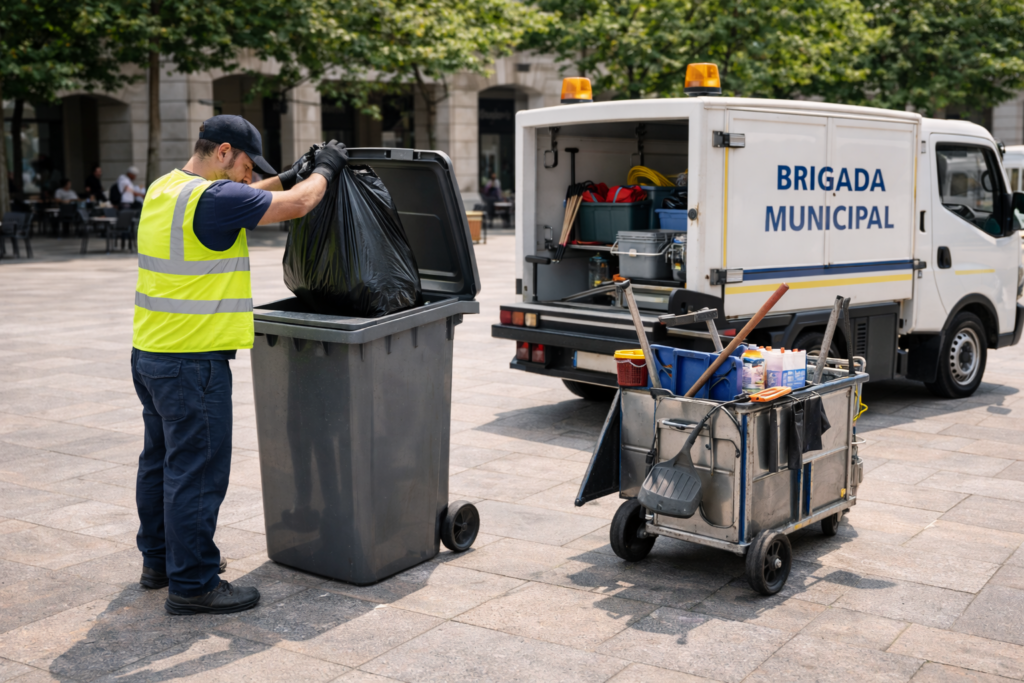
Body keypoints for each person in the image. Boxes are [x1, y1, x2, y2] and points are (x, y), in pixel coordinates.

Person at [131, 115, 349, 615]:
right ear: (224, 152)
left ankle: (160, 563)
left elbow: (261, 195)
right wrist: (327, 169)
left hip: (151, 354)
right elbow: (297, 206)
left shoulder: (167, 188)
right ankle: (194, 584)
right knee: (197, 473)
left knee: (160, 464)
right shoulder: (215, 199)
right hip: (194, 362)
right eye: (247, 167)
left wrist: (293, 172)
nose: (250, 178)